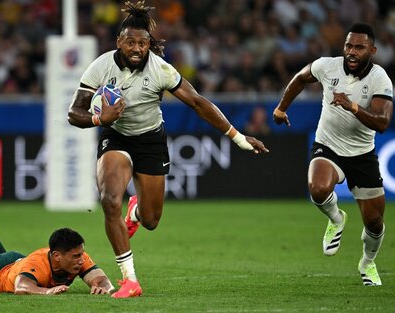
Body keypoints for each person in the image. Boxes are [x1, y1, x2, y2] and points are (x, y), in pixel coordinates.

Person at [67, 1, 269, 298]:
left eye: (143, 43)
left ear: (150, 44)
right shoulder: (101, 66)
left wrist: (238, 137)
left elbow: (199, 103)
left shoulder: (161, 69)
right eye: (131, 42)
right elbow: (74, 113)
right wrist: (100, 118)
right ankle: (129, 280)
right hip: (116, 136)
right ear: (119, 42)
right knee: (110, 200)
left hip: (151, 141)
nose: (137, 48)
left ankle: (135, 212)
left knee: (150, 221)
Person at [273, 23, 393, 286]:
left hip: (363, 154)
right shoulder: (327, 66)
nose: (352, 51)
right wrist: (281, 108)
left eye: (359, 47)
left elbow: (382, 123)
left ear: (371, 50)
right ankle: (336, 219)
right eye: (349, 45)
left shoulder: (380, 78)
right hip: (328, 145)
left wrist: (352, 107)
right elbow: (301, 78)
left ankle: (367, 263)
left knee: (374, 222)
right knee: (317, 187)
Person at [0, 171, 114, 295]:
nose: (81, 260)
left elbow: (100, 278)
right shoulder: (38, 264)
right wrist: (46, 291)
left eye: (81, 255)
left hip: (15, 263)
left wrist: (103, 287)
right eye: (76, 256)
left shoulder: (76, 256)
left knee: (10, 269)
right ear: (57, 255)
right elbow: (21, 287)